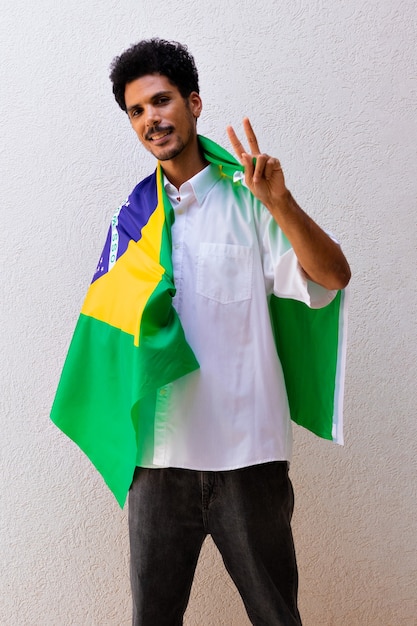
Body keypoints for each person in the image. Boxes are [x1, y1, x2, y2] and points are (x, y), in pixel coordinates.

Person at [52, 38, 350, 626]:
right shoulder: (132, 226)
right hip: (159, 467)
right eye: (136, 111)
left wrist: (281, 202)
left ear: (193, 104)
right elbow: (106, 341)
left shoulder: (251, 201)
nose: (150, 120)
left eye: (160, 101)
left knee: (276, 617)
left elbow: (332, 277)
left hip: (250, 458)